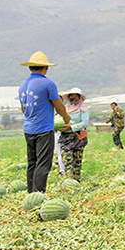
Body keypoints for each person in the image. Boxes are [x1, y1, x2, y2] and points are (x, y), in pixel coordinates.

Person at [18, 51, 70, 193]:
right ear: (46, 68)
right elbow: (59, 106)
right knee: (43, 164)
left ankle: (31, 194)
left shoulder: (23, 85)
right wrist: (66, 118)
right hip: (43, 130)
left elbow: (23, 109)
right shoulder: (48, 83)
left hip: (28, 129)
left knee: (32, 163)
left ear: (30, 68)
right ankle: (38, 195)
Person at [58, 87, 91, 182]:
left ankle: (76, 179)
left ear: (79, 97)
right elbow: (60, 119)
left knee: (77, 160)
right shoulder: (65, 108)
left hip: (78, 137)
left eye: (75, 95)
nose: (73, 97)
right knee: (66, 158)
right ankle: (69, 179)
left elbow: (84, 123)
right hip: (65, 136)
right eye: (71, 95)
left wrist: (71, 127)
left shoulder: (83, 109)